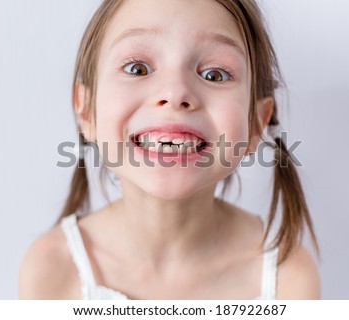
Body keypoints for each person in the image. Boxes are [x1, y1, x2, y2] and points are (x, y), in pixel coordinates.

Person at [19, 0, 320, 300]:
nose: (175, 93)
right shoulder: (51, 269)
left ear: (257, 123)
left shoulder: (288, 276)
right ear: (86, 110)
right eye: (137, 68)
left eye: (215, 75)